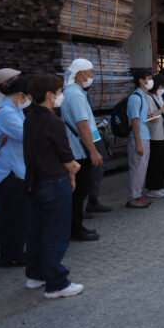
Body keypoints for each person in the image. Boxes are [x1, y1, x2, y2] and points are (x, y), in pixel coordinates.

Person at [23, 74, 84, 299]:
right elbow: (64, 153)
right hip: (54, 180)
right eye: (58, 92)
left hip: (35, 180)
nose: (61, 96)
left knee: (38, 230)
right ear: (49, 95)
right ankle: (57, 282)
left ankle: (35, 273)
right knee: (55, 232)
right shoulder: (52, 120)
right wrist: (73, 169)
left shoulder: (30, 117)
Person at [0, 75, 31, 267]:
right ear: (21, 94)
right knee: (11, 216)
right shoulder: (6, 112)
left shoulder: (14, 110)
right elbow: (25, 135)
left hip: (17, 170)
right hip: (9, 173)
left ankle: (15, 251)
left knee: (19, 215)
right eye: (29, 96)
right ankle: (10, 255)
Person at [61, 59, 102, 241]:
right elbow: (82, 125)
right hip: (79, 149)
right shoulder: (75, 95)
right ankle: (75, 229)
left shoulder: (73, 92)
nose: (92, 76)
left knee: (79, 190)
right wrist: (93, 151)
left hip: (79, 147)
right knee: (79, 190)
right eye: (91, 72)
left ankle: (74, 226)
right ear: (80, 74)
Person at [126, 68, 155, 208]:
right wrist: (138, 143)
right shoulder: (135, 98)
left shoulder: (143, 96)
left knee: (142, 168)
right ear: (141, 81)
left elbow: (142, 118)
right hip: (139, 138)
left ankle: (138, 195)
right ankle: (134, 197)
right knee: (137, 168)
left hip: (144, 136)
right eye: (148, 78)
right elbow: (134, 121)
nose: (150, 81)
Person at [145, 75, 164, 198]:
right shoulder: (149, 97)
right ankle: (153, 187)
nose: (163, 89)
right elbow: (151, 116)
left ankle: (160, 185)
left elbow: (162, 111)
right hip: (155, 135)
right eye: (161, 86)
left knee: (163, 161)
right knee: (155, 162)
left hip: (163, 133)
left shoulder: (158, 96)